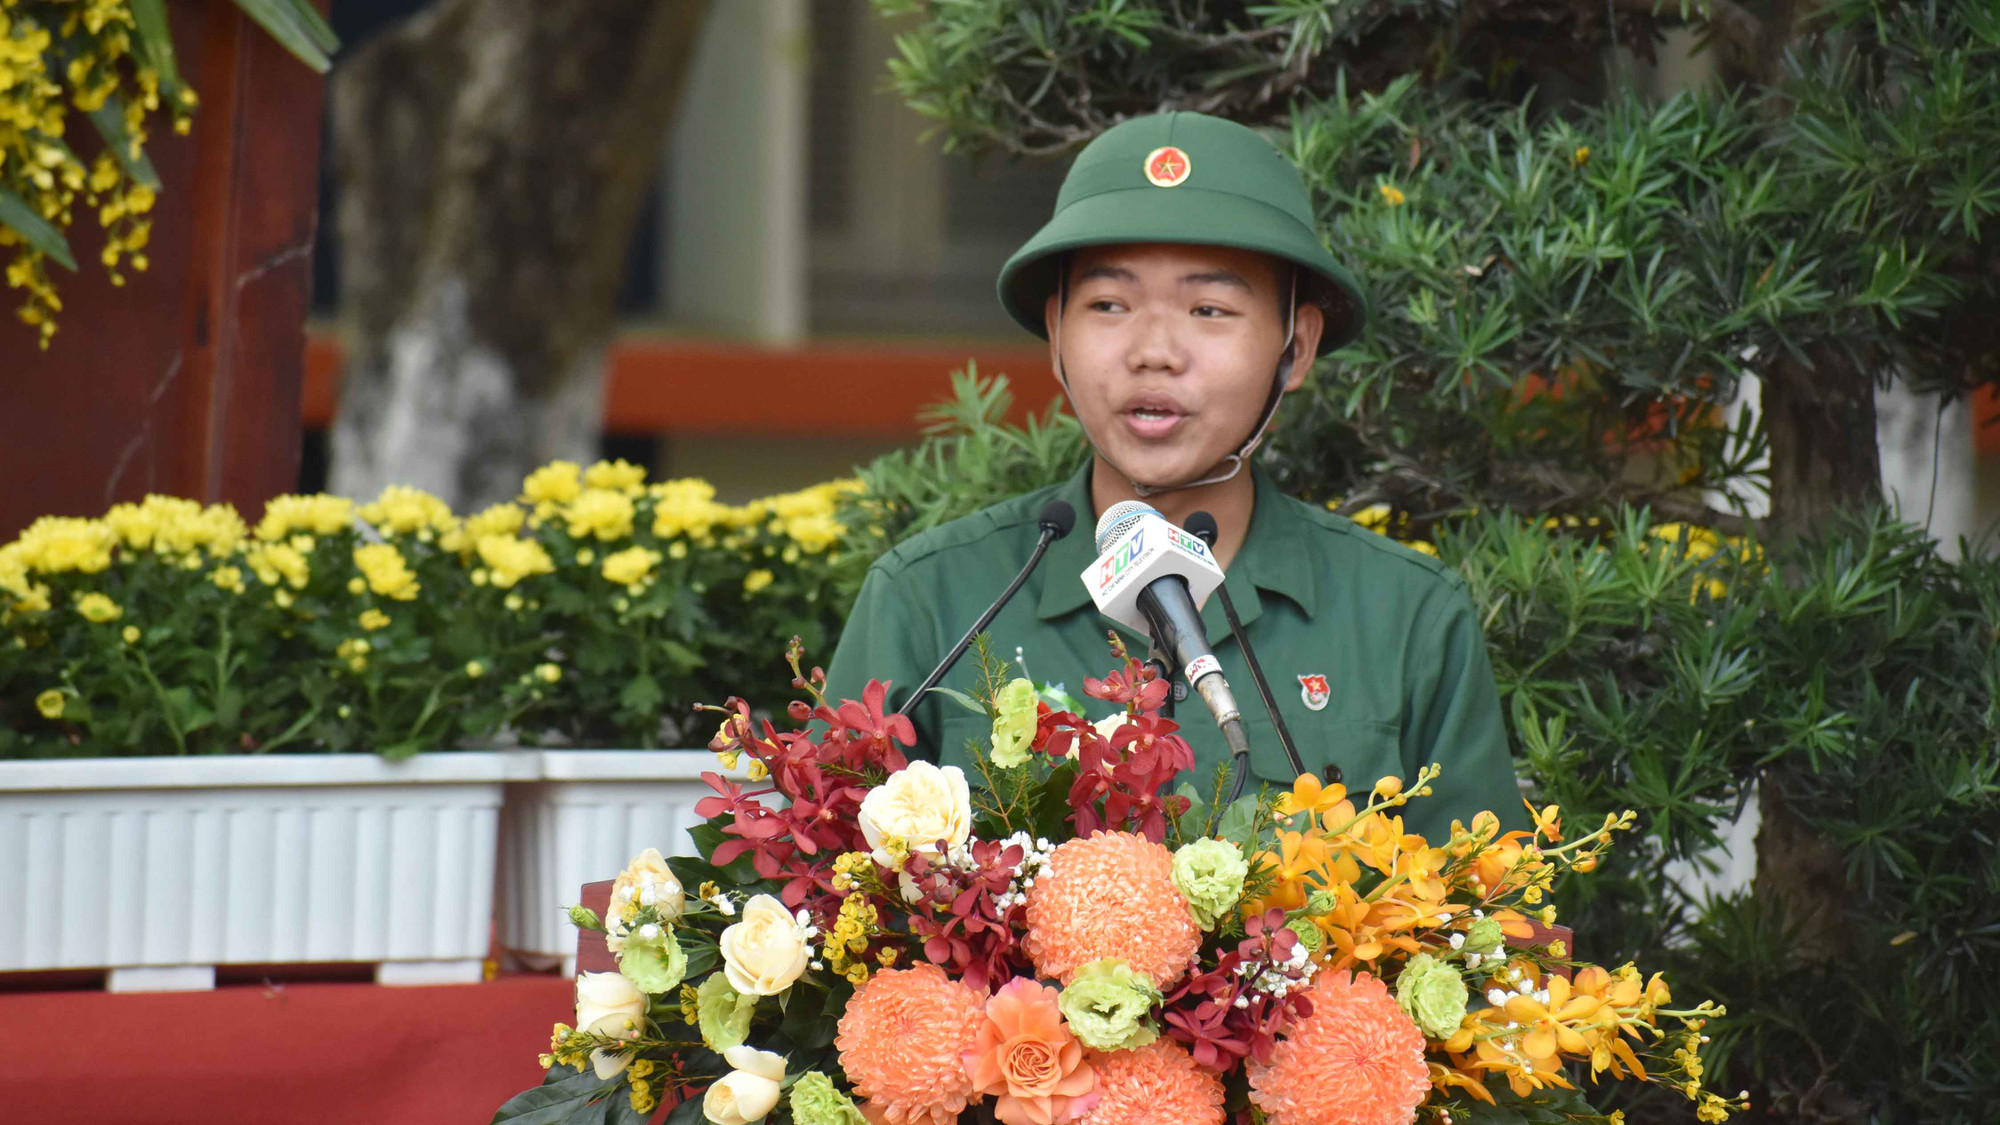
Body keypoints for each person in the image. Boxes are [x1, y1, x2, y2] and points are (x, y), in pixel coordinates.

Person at [825, 111, 1523, 840]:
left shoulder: (1405, 618)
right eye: (1109, 305)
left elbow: (1492, 933)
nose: (1154, 351)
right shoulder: (932, 602)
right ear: (1057, 331)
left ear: (1297, 344)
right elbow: (818, 891)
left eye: (1208, 308)